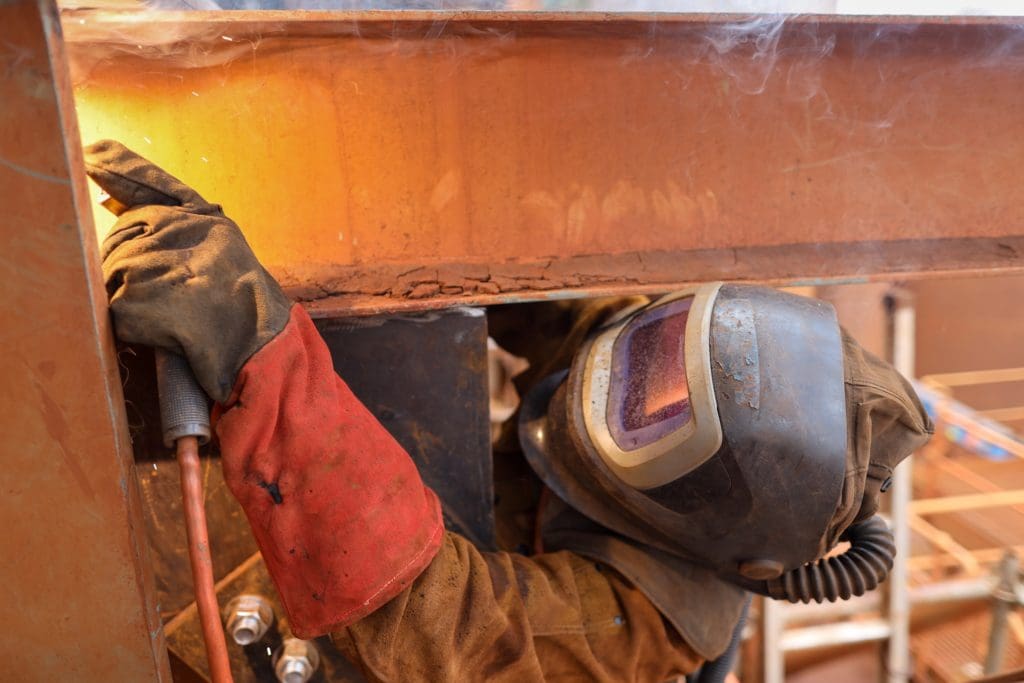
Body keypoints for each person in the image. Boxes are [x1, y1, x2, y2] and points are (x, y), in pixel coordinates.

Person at [83, 140, 933, 682]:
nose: (620, 377)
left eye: (648, 413)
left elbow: (439, 623)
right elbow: (577, 315)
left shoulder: (647, 619)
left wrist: (249, 344)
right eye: (658, 340)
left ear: (694, 511)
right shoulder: (659, 366)